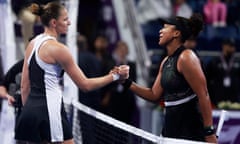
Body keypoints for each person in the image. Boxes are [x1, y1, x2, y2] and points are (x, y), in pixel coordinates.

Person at [11, 2, 129, 144]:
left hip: (30, 110)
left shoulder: (33, 43)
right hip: (50, 111)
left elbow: (24, 86)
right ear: (54, 23)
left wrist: (31, 111)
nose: (70, 22)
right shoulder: (59, 49)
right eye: (65, 19)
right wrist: (115, 76)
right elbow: (85, 85)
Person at [122, 14, 217, 143]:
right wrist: (127, 82)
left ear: (176, 33)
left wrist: (209, 131)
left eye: (165, 27)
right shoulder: (165, 61)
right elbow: (154, 95)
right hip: (170, 132)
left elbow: (203, 95)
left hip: (190, 134)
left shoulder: (187, 57)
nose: (160, 30)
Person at [206, 38, 240, 107]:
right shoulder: (214, 62)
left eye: (233, 46)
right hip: (217, 97)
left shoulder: (238, 62)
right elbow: (207, 79)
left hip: (234, 98)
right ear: (224, 46)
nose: (233, 48)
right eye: (230, 46)